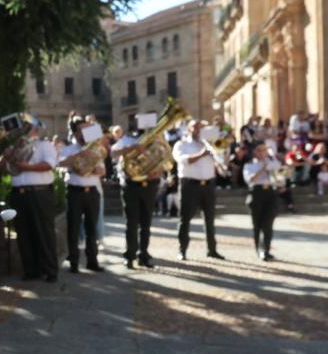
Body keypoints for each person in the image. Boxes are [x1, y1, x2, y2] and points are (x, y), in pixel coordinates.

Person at [3, 116, 58, 281]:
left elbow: (49, 165)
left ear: (35, 130)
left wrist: (28, 167)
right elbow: (2, 167)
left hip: (39, 193)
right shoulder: (14, 147)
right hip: (19, 193)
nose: (24, 131)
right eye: (23, 128)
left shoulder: (44, 145)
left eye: (27, 128)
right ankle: (30, 270)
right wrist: (6, 156)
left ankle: (50, 270)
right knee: (24, 233)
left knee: (43, 232)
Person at [111, 113, 161, 269]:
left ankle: (144, 255)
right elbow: (112, 153)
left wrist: (158, 170)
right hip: (131, 186)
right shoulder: (127, 140)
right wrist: (131, 148)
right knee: (131, 223)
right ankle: (130, 255)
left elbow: (162, 159)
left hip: (149, 184)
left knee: (146, 223)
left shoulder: (156, 141)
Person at [171, 120, 224, 260]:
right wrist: (202, 153)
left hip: (208, 185)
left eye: (201, 127)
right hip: (190, 185)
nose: (198, 130)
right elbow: (183, 160)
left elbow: (222, 163)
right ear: (189, 129)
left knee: (209, 219)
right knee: (185, 219)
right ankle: (182, 250)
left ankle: (212, 250)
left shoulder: (209, 145)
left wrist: (217, 153)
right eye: (195, 127)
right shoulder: (181, 144)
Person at [57, 116, 104, 273]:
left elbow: (102, 169)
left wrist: (96, 170)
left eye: (88, 130)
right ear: (76, 133)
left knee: (92, 229)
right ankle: (74, 262)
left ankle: (92, 261)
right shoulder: (69, 149)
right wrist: (78, 156)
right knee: (73, 228)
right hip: (75, 192)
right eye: (83, 130)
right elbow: (60, 163)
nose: (86, 133)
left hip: (92, 192)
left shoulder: (95, 148)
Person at [242, 141, 284, 261]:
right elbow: (250, 180)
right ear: (255, 152)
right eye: (259, 150)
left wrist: (280, 180)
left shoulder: (272, 163)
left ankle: (266, 249)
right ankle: (259, 249)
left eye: (264, 150)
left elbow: (280, 176)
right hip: (256, 193)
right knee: (257, 225)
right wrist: (263, 168)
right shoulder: (249, 165)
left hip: (270, 192)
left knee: (268, 224)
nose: (262, 153)